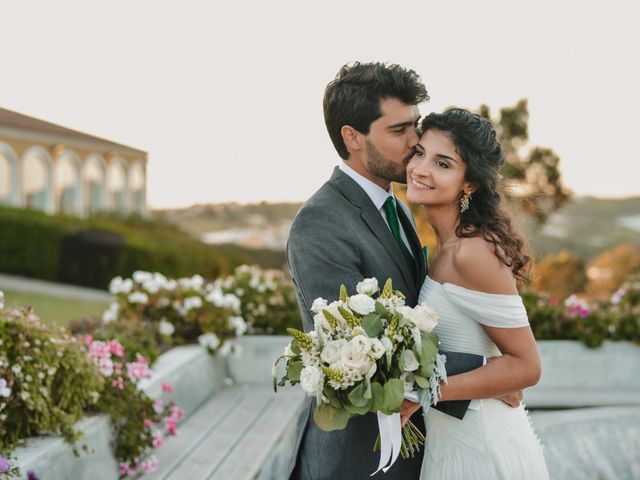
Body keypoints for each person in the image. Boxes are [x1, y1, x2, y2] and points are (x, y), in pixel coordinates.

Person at [286, 62, 483, 480]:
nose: (415, 143)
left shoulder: (398, 207)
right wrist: (489, 375)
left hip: (409, 443)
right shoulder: (321, 222)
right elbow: (371, 352)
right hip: (356, 457)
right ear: (352, 137)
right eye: (399, 131)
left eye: (415, 125)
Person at [404, 108, 549, 479]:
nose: (420, 169)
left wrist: (418, 394)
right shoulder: (447, 246)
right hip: (451, 443)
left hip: (481, 450)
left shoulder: (474, 252)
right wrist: (486, 372)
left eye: (443, 163)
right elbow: (480, 348)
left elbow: (526, 366)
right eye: (419, 153)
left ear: (468, 184)